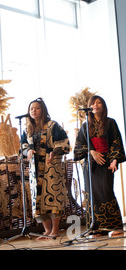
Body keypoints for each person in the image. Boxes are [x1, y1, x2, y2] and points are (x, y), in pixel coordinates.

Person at [74, 95, 126, 236]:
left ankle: (116, 226)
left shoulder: (110, 123)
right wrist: (91, 152)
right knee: (92, 195)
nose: (95, 105)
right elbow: (78, 146)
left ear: (103, 106)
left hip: (106, 162)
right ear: (89, 107)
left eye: (99, 103)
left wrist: (115, 159)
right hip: (90, 165)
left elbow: (116, 142)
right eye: (93, 103)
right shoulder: (85, 125)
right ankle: (96, 228)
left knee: (106, 192)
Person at [21, 98, 70, 240]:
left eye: (37, 108)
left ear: (43, 110)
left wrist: (54, 152)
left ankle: (55, 230)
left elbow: (64, 143)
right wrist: (27, 152)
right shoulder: (27, 129)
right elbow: (22, 147)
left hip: (51, 167)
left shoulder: (53, 125)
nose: (33, 111)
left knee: (53, 197)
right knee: (38, 200)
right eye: (31, 109)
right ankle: (47, 230)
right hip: (34, 170)